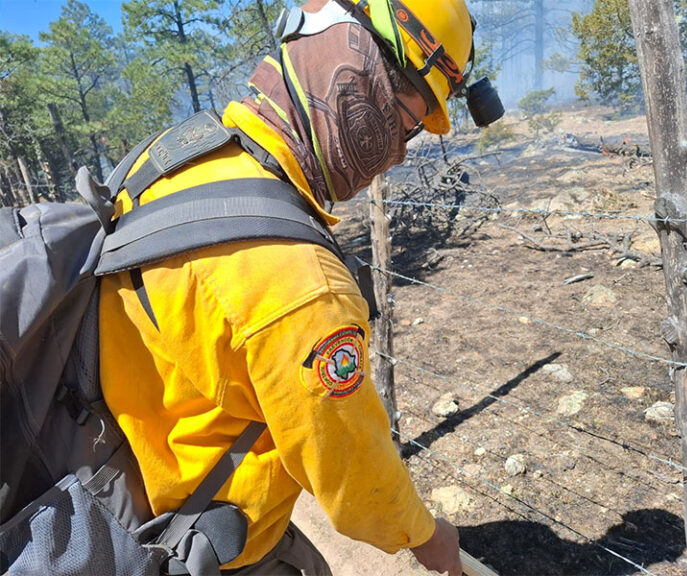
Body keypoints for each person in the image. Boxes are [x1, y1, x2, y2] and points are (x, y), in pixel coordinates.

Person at [99, 0, 481, 573]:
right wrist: (427, 536)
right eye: (409, 120)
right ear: (358, 69)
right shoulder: (302, 286)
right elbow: (356, 482)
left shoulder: (174, 157)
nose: (400, 152)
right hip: (197, 541)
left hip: (115, 488)